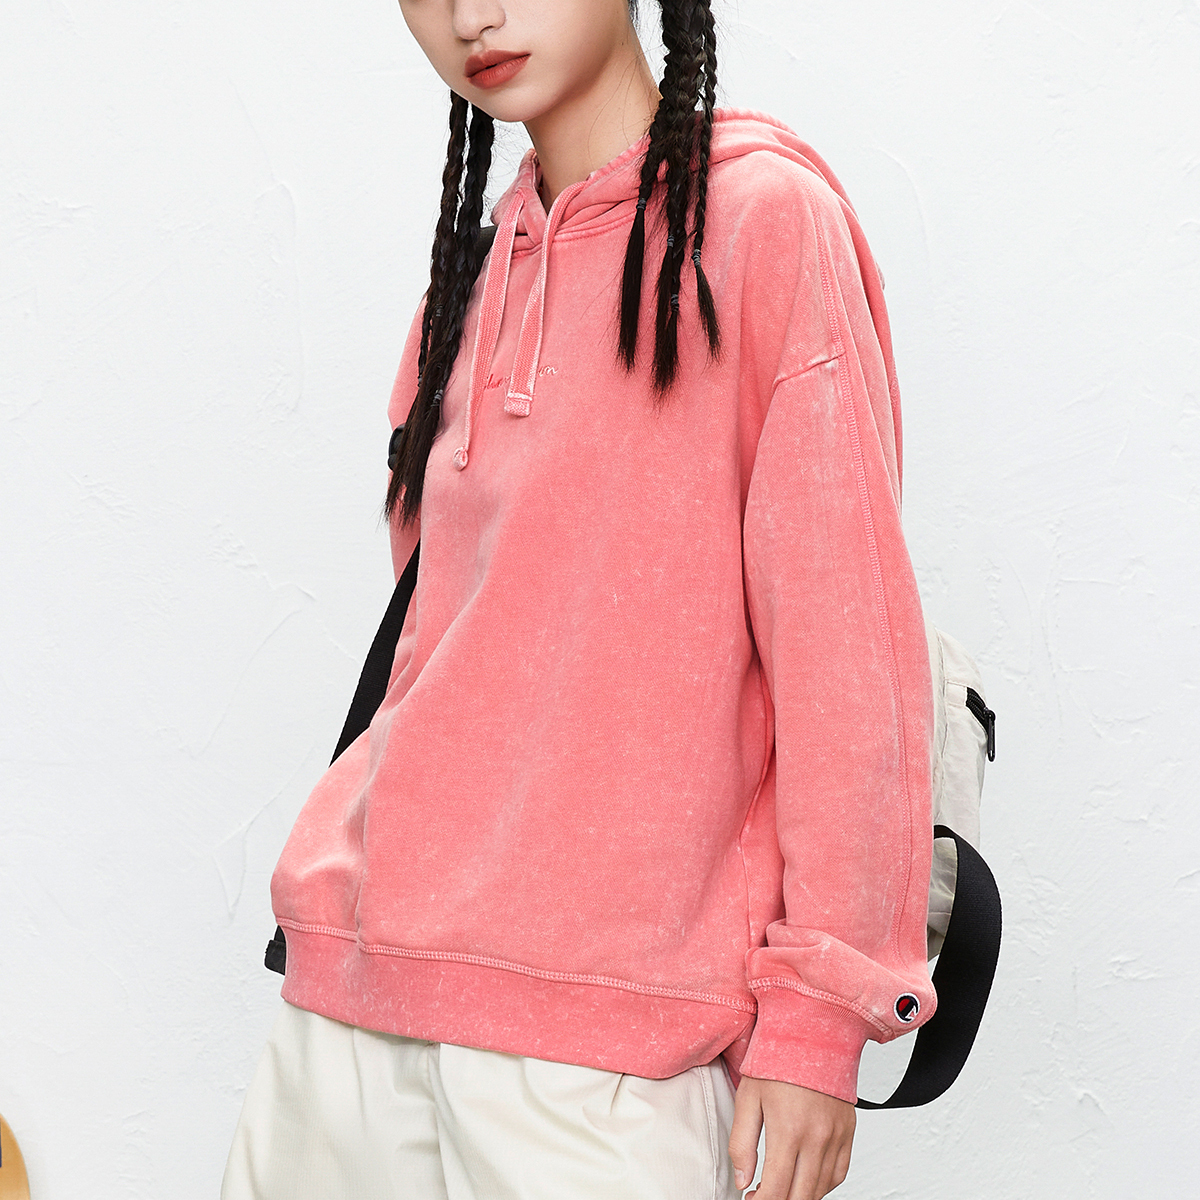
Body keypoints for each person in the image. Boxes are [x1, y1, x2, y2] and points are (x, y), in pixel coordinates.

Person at [219, 1, 937, 1197]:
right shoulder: (470, 274)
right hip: (347, 1011)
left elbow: (849, 657)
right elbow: (442, 643)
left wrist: (821, 1016)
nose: (473, 15)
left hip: (612, 1049)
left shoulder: (764, 226)